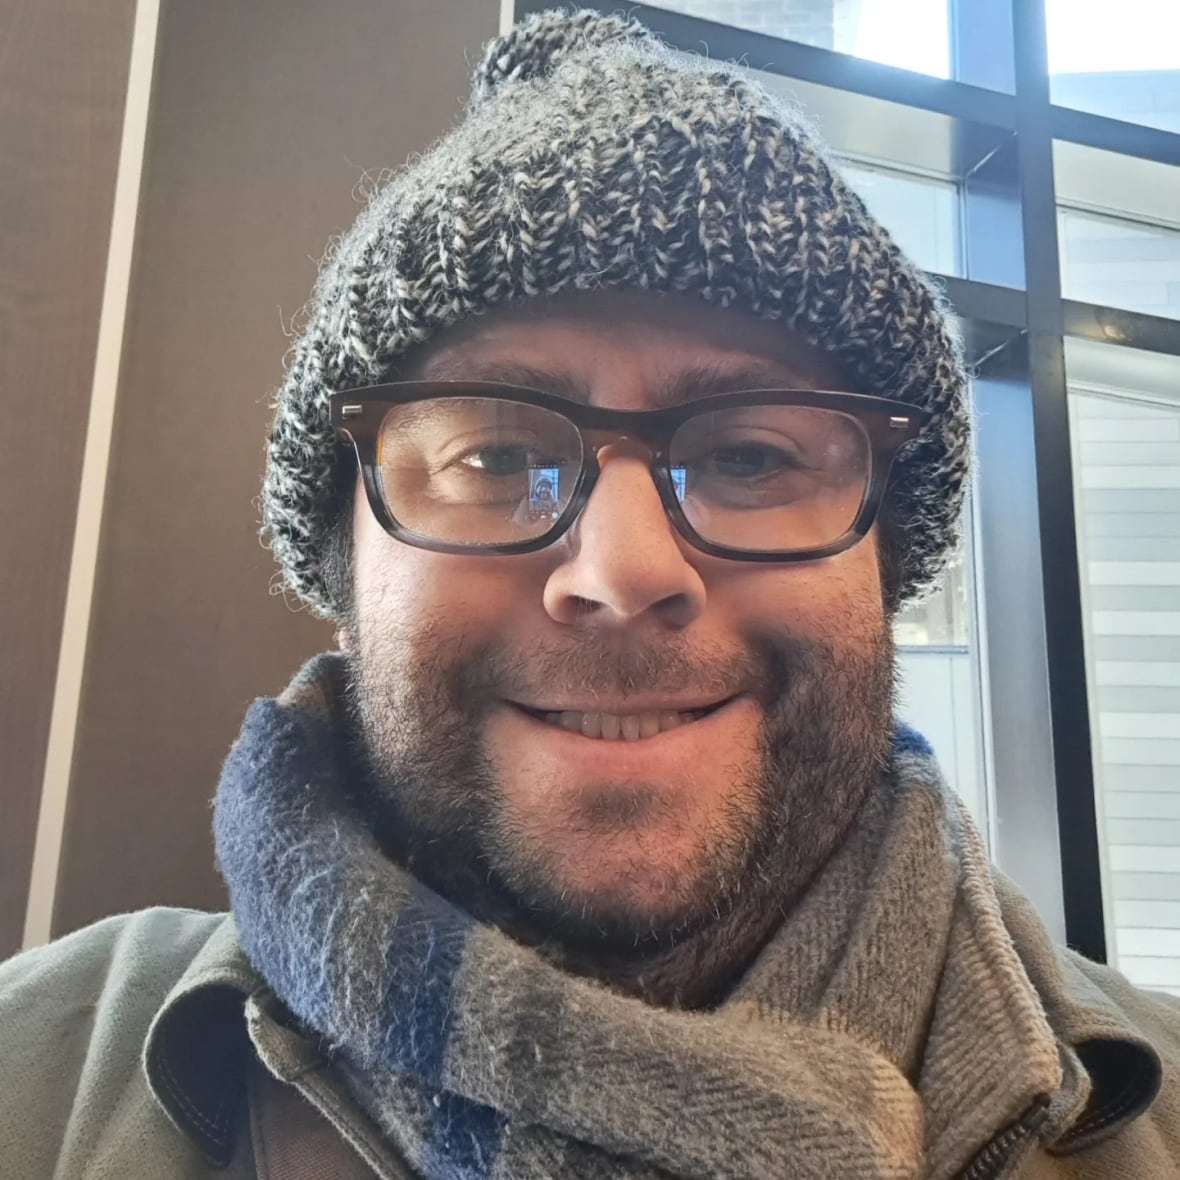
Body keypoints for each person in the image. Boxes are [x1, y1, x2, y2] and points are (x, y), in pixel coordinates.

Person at [2, 10, 1177, 1179]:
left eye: (750, 457)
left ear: (884, 564)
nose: (624, 573)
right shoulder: (35, 1079)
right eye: (498, 459)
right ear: (345, 569)